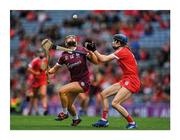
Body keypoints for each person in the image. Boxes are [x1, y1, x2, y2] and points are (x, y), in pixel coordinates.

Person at [86, 33, 141, 129]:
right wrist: (91, 53)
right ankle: (104, 121)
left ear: (119, 42)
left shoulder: (122, 51)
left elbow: (103, 59)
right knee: (103, 94)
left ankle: (132, 123)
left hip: (132, 80)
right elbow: (101, 59)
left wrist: (94, 50)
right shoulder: (123, 50)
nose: (112, 42)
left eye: (114, 40)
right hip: (127, 79)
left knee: (115, 103)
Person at [47, 35, 99, 126]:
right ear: (66, 42)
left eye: (72, 37)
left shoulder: (82, 50)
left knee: (61, 90)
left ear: (75, 41)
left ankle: (64, 113)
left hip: (84, 81)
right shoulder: (63, 56)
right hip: (75, 82)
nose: (71, 38)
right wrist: (47, 71)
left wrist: (91, 52)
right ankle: (76, 119)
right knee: (69, 104)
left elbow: (96, 62)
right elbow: (54, 70)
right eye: (68, 37)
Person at [27, 48, 48, 115]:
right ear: (38, 53)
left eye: (42, 52)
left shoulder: (46, 60)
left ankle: (45, 108)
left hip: (43, 80)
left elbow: (47, 69)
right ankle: (30, 111)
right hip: (35, 81)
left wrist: (49, 76)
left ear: (44, 53)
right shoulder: (35, 60)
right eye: (39, 52)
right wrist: (35, 73)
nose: (41, 53)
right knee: (34, 96)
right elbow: (29, 69)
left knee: (43, 94)